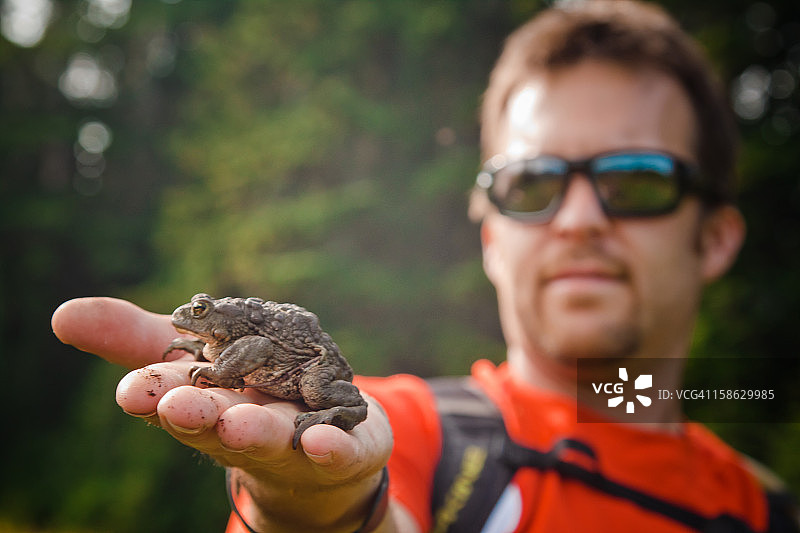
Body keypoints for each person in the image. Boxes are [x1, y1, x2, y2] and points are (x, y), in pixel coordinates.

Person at [51, 1, 798, 532]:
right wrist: (321, 502)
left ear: (717, 237)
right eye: (531, 184)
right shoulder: (422, 433)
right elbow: (364, 486)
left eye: (636, 181)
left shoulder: (765, 505)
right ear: (491, 237)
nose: (578, 218)